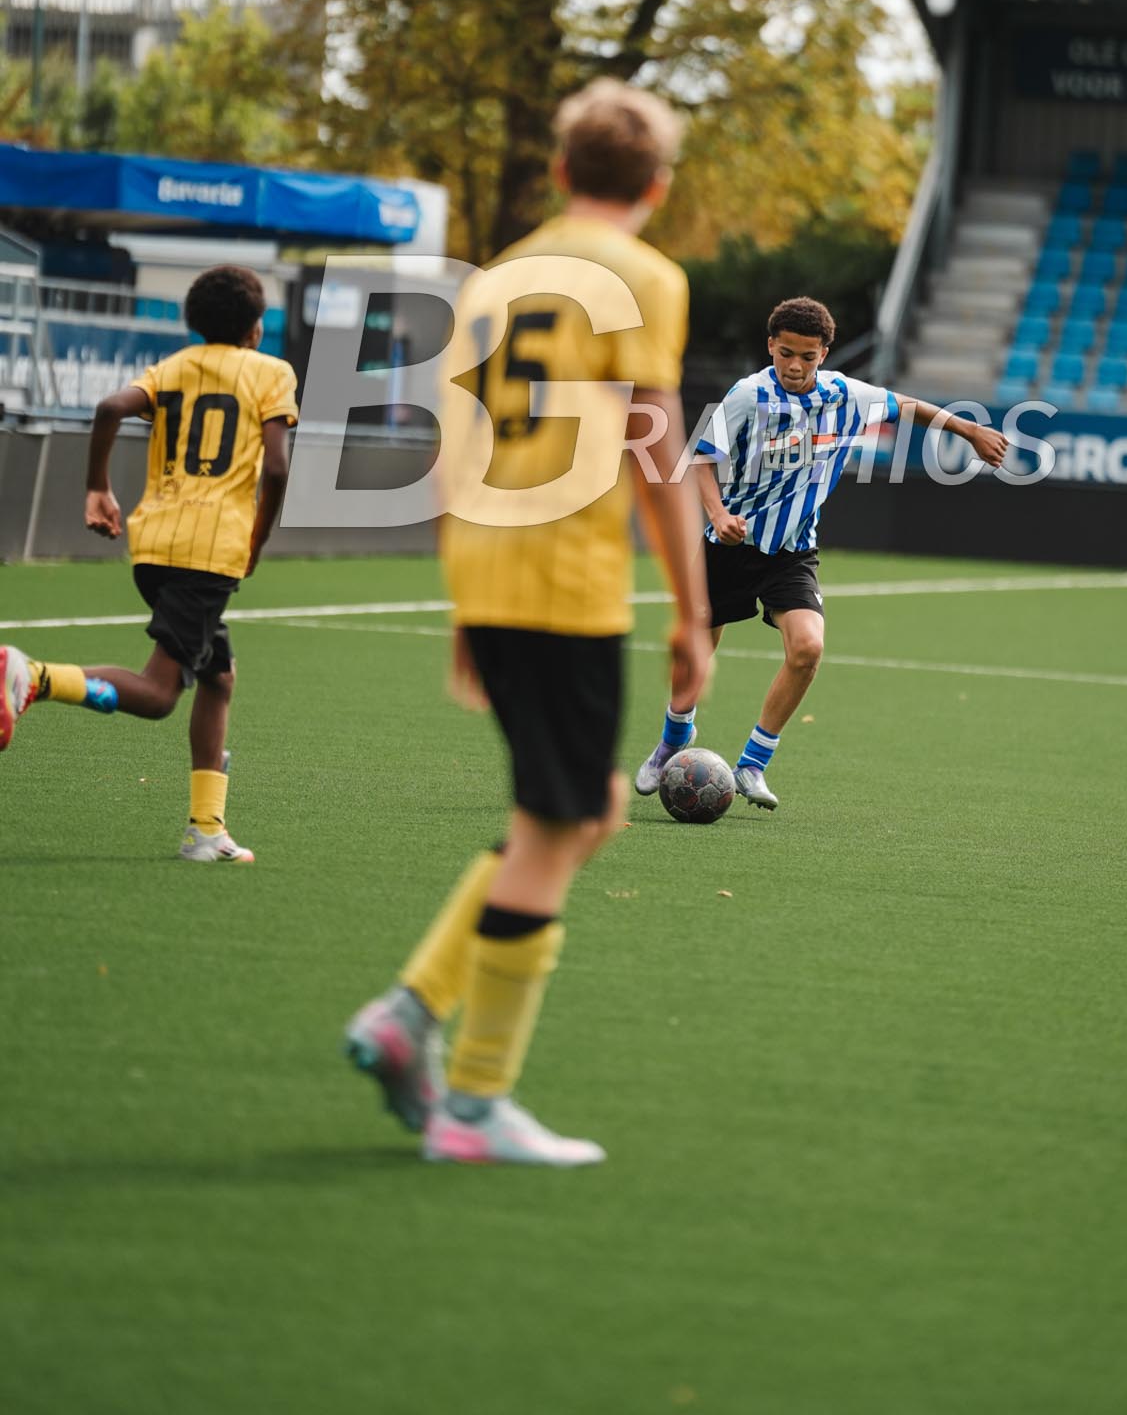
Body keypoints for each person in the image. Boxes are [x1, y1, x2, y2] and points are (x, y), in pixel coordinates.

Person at [345, 79, 711, 1170]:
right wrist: (693, 611)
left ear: (558, 173)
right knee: (560, 824)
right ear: (656, 185)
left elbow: (454, 444)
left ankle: (413, 1010)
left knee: (588, 803)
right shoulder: (648, 276)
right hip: (567, 581)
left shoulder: (497, 275)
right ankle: (472, 1094)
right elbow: (658, 453)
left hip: (494, 566)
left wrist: (464, 595)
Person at [633, 295, 1008, 811]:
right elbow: (701, 462)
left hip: (793, 550)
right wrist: (719, 516)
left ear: (824, 354)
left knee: (807, 649)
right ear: (770, 346)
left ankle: (752, 765)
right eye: (785, 352)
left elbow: (908, 406)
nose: (794, 365)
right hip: (729, 545)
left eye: (807, 356)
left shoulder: (845, 394)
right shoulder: (747, 395)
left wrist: (968, 430)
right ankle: (672, 741)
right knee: (695, 652)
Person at [0, 265, 297, 863]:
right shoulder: (272, 373)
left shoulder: (174, 368)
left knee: (218, 677)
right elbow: (276, 468)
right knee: (161, 694)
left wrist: (96, 488)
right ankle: (31, 677)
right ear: (255, 327)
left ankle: (206, 830)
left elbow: (110, 407)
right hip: (210, 552)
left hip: (155, 545)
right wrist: (258, 542)